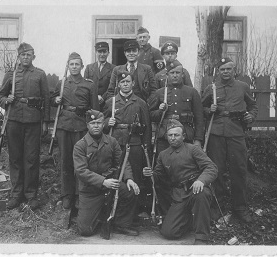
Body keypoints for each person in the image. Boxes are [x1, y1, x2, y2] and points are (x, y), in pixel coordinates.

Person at [143, 119, 218, 245]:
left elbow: (211, 167)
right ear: (166, 137)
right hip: (179, 195)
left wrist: (201, 181)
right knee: (169, 233)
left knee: (202, 194)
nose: (173, 138)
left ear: (183, 136)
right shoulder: (163, 155)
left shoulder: (193, 149)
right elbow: (158, 176)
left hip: (196, 189)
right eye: (170, 135)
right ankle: (189, 220)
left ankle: (201, 237)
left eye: (176, 135)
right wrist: (150, 174)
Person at [202, 57, 258, 223]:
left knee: (239, 170)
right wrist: (208, 110)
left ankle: (240, 208)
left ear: (234, 71)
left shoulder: (242, 87)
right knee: (216, 170)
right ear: (218, 71)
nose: (225, 72)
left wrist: (251, 116)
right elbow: (201, 107)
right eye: (222, 69)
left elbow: (253, 106)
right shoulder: (211, 88)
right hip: (216, 133)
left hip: (236, 133)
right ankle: (216, 207)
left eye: (228, 69)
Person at [0, 42, 50, 210]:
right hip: (13, 121)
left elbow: (47, 99)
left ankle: (31, 194)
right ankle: (16, 194)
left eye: (29, 55)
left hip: (33, 121)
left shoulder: (40, 75)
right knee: (15, 158)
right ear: (18, 57)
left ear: (33, 57)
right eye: (23, 55)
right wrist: (7, 101)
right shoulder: (11, 75)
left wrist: (46, 122)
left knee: (32, 158)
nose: (25, 57)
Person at [148, 60, 204, 214]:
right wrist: (160, 111)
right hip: (165, 138)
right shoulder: (160, 93)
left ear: (182, 74)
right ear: (167, 75)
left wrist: (198, 140)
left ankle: (186, 208)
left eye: (177, 72)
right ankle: (166, 210)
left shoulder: (191, 92)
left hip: (184, 136)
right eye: (172, 73)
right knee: (163, 174)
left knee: (185, 171)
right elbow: (150, 115)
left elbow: (199, 118)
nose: (175, 75)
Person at [74, 110, 140, 237]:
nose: (96, 126)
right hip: (90, 191)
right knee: (85, 230)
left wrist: (129, 179)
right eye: (92, 123)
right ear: (87, 125)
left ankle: (121, 223)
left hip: (110, 186)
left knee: (130, 190)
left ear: (103, 124)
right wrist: (103, 181)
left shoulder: (111, 141)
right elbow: (81, 171)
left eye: (99, 122)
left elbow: (123, 161)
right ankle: (101, 216)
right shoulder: (80, 145)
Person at [50, 52, 99, 210]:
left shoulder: (89, 84)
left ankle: (80, 194)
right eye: (71, 64)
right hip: (64, 126)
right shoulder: (62, 83)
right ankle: (67, 195)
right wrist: (55, 100)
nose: (74, 67)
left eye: (77, 64)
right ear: (68, 66)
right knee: (65, 160)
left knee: (81, 161)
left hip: (81, 127)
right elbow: (52, 99)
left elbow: (94, 110)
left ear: (82, 66)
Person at [104, 70, 151, 214]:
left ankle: (133, 215)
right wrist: (107, 122)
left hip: (135, 143)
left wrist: (146, 147)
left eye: (128, 82)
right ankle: (116, 212)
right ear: (118, 85)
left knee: (134, 177)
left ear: (133, 83)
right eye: (122, 82)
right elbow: (100, 124)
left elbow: (147, 127)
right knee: (117, 176)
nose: (125, 84)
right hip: (116, 142)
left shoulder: (140, 103)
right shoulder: (111, 102)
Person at [84, 42, 116, 109]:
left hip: (106, 103)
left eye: (104, 52)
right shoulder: (89, 68)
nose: (102, 54)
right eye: (99, 52)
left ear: (108, 53)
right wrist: (95, 97)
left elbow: (113, 87)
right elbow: (85, 86)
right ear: (96, 52)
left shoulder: (113, 68)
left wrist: (103, 97)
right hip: (91, 103)